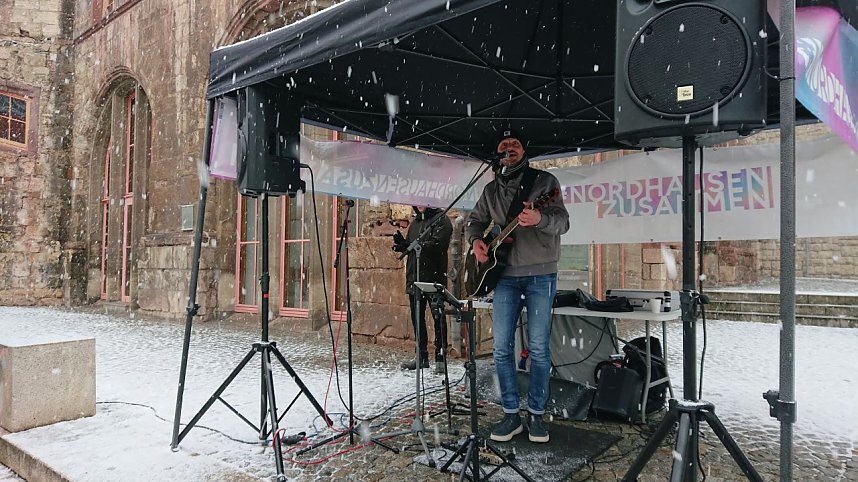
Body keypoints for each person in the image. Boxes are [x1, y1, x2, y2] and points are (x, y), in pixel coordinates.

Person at [464, 129, 569, 444]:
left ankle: (536, 415)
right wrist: (477, 242)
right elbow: (474, 222)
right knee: (500, 349)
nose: (508, 147)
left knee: (537, 347)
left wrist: (538, 218)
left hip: (540, 275)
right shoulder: (490, 189)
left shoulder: (544, 183)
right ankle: (511, 414)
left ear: (524, 151)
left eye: (515, 143)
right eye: (503, 144)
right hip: (504, 275)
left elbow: (563, 222)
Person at [392, 206, 453, 374]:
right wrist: (403, 245)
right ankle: (421, 356)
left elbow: (438, 244)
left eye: (423, 202)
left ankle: (440, 357)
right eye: (417, 202)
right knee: (417, 319)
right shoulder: (415, 223)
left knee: (438, 318)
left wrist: (416, 245)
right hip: (415, 277)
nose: (419, 205)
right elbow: (413, 247)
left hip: (433, 277)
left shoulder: (442, 219)